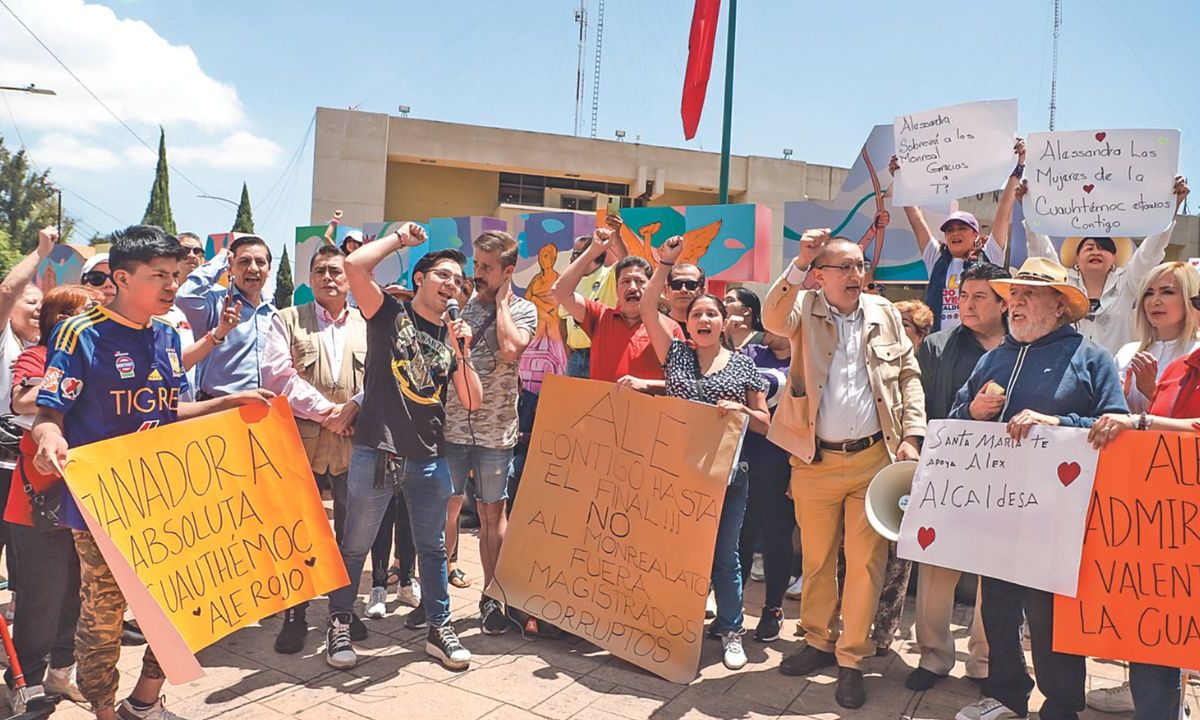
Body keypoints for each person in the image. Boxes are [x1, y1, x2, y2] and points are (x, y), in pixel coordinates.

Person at [30, 225, 274, 720]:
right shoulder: (81, 334)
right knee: (102, 619)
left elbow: (166, 412)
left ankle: (144, 701)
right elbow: (49, 413)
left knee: (184, 601)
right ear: (120, 278)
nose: (171, 285)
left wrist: (228, 402)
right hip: (101, 505)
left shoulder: (166, 335)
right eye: (159, 275)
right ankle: (102, 708)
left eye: (176, 274)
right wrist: (49, 439)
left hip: (165, 501)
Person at [949, 256, 1127, 720]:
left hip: (1059, 517)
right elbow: (955, 420)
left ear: (1058, 306)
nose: (1016, 303)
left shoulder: (1092, 359)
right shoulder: (993, 357)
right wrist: (974, 412)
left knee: (1051, 620)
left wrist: (1059, 424)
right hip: (997, 513)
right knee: (998, 612)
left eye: (1029, 294)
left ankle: (1063, 704)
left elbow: (1118, 427)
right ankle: (1007, 697)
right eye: (1013, 294)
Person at [763, 229, 925, 709]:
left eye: (860, 266)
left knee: (866, 564)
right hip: (814, 460)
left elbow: (909, 375)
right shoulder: (803, 308)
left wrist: (913, 437)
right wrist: (798, 261)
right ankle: (817, 640)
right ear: (821, 276)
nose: (857, 275)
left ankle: (852, 658)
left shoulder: (884, 314)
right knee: (815, 560)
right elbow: (773, 315)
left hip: (875, 459)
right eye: (845, 268)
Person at [325, 223, 482, 672]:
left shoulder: (452, 341)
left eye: (458, 281)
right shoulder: (389, 313)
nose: (451, 284)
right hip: (377, 449)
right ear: (420, 278)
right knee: (355, 543)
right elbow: (354, 266)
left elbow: (471, 400)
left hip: (428, 456)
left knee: (433, 547)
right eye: (443, 275)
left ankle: (439, 627)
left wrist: (462, 350)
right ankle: (340, 619)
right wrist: (399, 239)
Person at [640, 235, 770, 671]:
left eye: (711, 314)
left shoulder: (743, 364)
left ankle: (732, 632)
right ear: (687, 323)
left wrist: (744, 412)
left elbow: (766, 421)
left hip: (728, 478)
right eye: (696, 314)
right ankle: (676, 626)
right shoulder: (674, 353)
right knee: (675, 553)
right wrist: (665, 263)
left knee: (723, 557)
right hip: (676, 473)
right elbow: (646, 307)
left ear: (724, 322)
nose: (704, 320)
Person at [1082, 261, 1200, 715]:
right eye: (1149, 293)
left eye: (1166, 292)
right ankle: (1145, 689)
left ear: (1188, 299)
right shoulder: (1129, 350)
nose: (1154, 302)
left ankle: (1168, 698)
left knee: (1176, 605)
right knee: (1142, 602)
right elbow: (1115, 416)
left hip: (1181, 499)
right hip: (1133, 496)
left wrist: (1150, 402)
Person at [906, 262, 1010, 692]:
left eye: (979, 297)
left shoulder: (1023, 348)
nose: (967, 304)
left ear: (1005, 303)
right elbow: (924, 406)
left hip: (1005, 477)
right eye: (963, 296)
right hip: (946, 470)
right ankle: (933, 656)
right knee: (937, 566)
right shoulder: (937, 346)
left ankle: (984, 660)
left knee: (994, 569)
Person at [271, 245, 377, 655]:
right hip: (302, 442)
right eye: (320, 271)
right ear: (310, 278)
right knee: (298, 533)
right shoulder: (286, 319)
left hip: (354, 443)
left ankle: (342, 612)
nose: (328, 277)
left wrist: (354, 408)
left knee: (351, 535)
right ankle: (294, 614)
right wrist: (328, 412)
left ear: (349, 278)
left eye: (336, 270)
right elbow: (279, 376)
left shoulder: (369, 323)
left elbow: (382, 375)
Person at [4, 284, 100, 713]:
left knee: (75, 594)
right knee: (40, 599)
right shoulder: (37, 356)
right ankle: (23, 681)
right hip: (37, 502)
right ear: (61, 322)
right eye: (89, 314)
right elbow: (22, 398)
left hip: (86, 501)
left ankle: (62, 671)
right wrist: (69, 379)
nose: (98, 323)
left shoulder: (100, 359)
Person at [442, 231, 537, 635]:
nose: (476, 273)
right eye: (475, 265)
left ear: (508, 271)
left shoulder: (526, 310)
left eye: (486, 267)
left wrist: (500, 305)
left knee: (491, 514)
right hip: (451, 427)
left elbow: (511, 350)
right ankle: (436, 598)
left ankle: (491, 596)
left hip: (497, 432)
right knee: (442, 509)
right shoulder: (458, 306)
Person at [1021, 176, 1190, 355]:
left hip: (1116, 376)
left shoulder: (1128, 283)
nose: (1096, 252)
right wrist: (1028, 208)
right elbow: (1042, 253)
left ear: (1114, 259)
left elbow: (1150, 252)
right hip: (1066, 374)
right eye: (1089, 248)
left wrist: (1172, 206)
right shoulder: (1064, 285)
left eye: (1104, 249)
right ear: (1077, 258)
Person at [890, 139, 1025, 332]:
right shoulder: (935, 258)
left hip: (980, 344)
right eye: (949, 230)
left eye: (962, 228)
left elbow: (1004, 210)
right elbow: (915, 218)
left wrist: (1018, 168)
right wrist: (900, 178)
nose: (955, 233)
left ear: (975, 235)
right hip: (941, 347)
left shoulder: (990, 257)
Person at [551, 227, 683, 387]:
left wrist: (646, 386)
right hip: (601, 410)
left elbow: (681, 383)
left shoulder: (669, 328)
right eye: (626, 281)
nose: (632, 287)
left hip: (648, 411)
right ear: (616, 289)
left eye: (640, 281)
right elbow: (560, 291)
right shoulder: (600, 317)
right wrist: (593, 250)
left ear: (652, 288)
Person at [0, 225, 56, 593]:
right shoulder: (4, 338)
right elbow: (6, 290)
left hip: (28, 468)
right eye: (30, 301)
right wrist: (41, 251)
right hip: (0, 466)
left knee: (25, 568)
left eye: (43, 304)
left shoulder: (49, 351)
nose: (38, 309)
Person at [737, 326, 796, 643]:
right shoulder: (750, 353)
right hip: (744, 458)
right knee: (741, 538)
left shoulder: (805, 360)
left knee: (777, 539)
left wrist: (797, 468)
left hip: (782, 463)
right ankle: (732, 610)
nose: (767, 325)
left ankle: (773, 609)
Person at [175, 235, 277, 399]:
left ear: (269, 270)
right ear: (230, 267)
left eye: (260, 262)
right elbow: (184, 297)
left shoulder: (274, 314)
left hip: (263, 408)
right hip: (218, 409)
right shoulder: (216, 302)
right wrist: (221, 258)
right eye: (244, 262)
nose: (253, 268)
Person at [561, 232, 622, 379]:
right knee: (573, 401)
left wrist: (617, 235)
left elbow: (627, 262)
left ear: (593, 254)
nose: (571, 259)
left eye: (576, 254)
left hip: (602, 355)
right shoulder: (571, 282)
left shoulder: (610, 275)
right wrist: (567, 348)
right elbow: (562, 318)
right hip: (575, 357)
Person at [663, 261, 706, 329]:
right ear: (666, 291)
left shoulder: (709, 327)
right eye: (677, 284)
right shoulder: (655, 325)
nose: (683, 290)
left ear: (702, 292)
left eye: (691, 284)